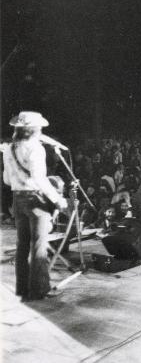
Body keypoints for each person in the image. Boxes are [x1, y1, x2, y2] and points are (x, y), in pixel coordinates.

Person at [2, 111, 68, 301]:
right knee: (39, 245)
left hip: (17, 199)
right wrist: (57, 199)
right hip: (35, 200)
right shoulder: (36, 149)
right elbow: (40, 179)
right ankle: (39, 290)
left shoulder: (9, 149)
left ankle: (22, 288)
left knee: (22, 246)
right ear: (34, 130)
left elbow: (6, 180)